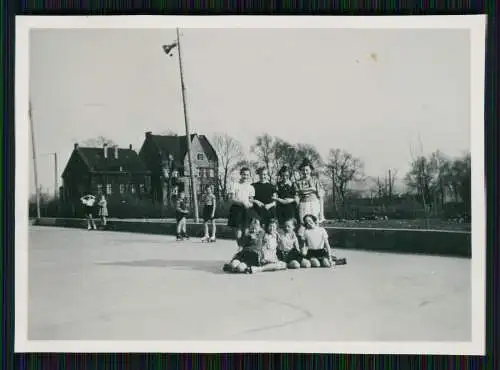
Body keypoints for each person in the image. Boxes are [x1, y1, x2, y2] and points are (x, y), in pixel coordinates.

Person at [227, 167, 256, 240]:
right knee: (238, 235)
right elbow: (231, 199)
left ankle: (245, 250)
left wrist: (251, 204)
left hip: (247, 210)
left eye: (247, 175)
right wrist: (242, 202)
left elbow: (251, 200)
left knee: (246, 232)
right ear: (240, 174)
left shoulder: (251, 187)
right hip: (237, 210)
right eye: (244, 174)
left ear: (249, 176)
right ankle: (240, 249)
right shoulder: (235, 185)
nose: (245, 176)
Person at [296, 159, 325, 225]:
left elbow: (321, 197)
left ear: (310, 170)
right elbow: (297, 197)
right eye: (303, 170)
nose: (305, 172)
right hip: (303, 205)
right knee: (303, 224)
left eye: (307, 170)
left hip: (314, 204)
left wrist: (321, 213)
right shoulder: (298, 182)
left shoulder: (316, 181)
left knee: (314, 224)